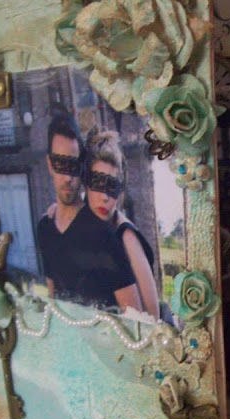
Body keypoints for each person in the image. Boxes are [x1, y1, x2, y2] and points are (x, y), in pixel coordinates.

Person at [36, 108, 141, 312]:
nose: (68, 177)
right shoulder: (44, 228)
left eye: (73, 165)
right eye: (60, 164)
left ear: (82, 167)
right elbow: (52, 297)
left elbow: (135, 316)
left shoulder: (101, 233)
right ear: (49, 164)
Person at [84, 128, 160, 320]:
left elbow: (151, 317)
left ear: (120, 192)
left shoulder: (126, 236)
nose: (104, 197)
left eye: (111, 187)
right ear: (86, 184)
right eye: (97, 184)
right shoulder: (87, 228)